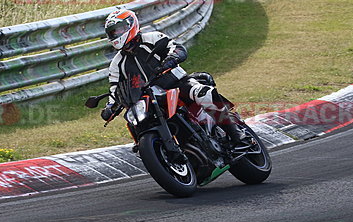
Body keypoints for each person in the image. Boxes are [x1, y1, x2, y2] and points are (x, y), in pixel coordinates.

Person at [101, 8, 248, 146]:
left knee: (203, 93)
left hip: (177, 83)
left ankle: (235, 133)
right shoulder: (117, 64)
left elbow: (177, 48)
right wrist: (110, 107)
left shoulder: (151, 38)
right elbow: (115, 88)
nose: (116, 34)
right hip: (151, 98)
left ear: (130, 25)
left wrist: (170, 60)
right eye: (112, 32)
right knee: (137, 123)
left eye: (118, 29)